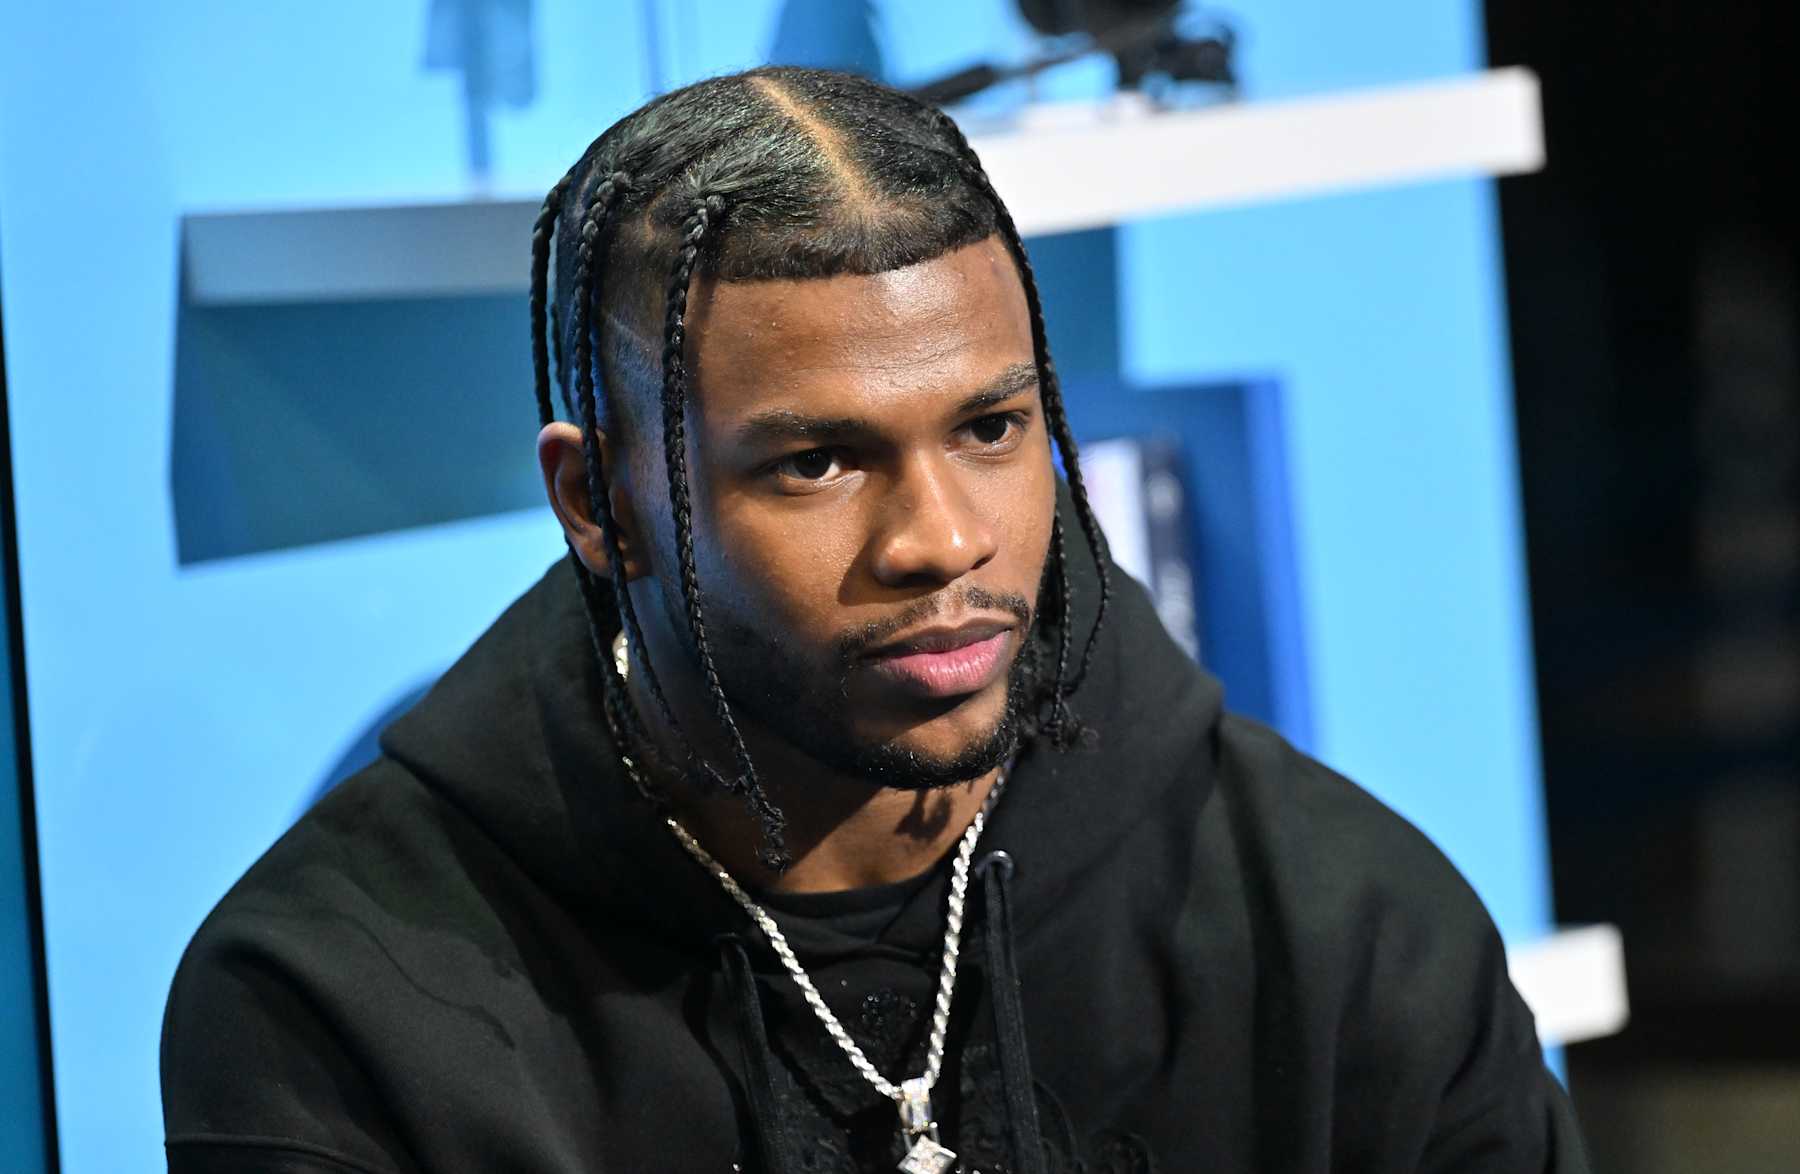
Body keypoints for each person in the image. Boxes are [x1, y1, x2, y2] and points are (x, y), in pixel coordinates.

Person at [160, 66, 1588, 1173]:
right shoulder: (340, 1006)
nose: (944, 540)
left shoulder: (1349, 929)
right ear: (601, 502)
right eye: (817, 461)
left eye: (991, 427)